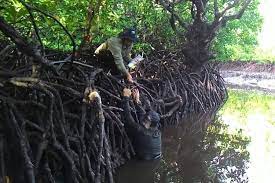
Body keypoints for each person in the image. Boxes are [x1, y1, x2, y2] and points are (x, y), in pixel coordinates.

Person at [122, 88, 162, 160]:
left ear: (150, 123)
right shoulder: (157, 129)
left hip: (144, 162)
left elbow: (128, 118)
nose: (144, 119)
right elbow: (144, 115)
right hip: (156, 158)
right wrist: (137, 101)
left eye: (146, 120)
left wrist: (126, 97)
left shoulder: (141, 131)